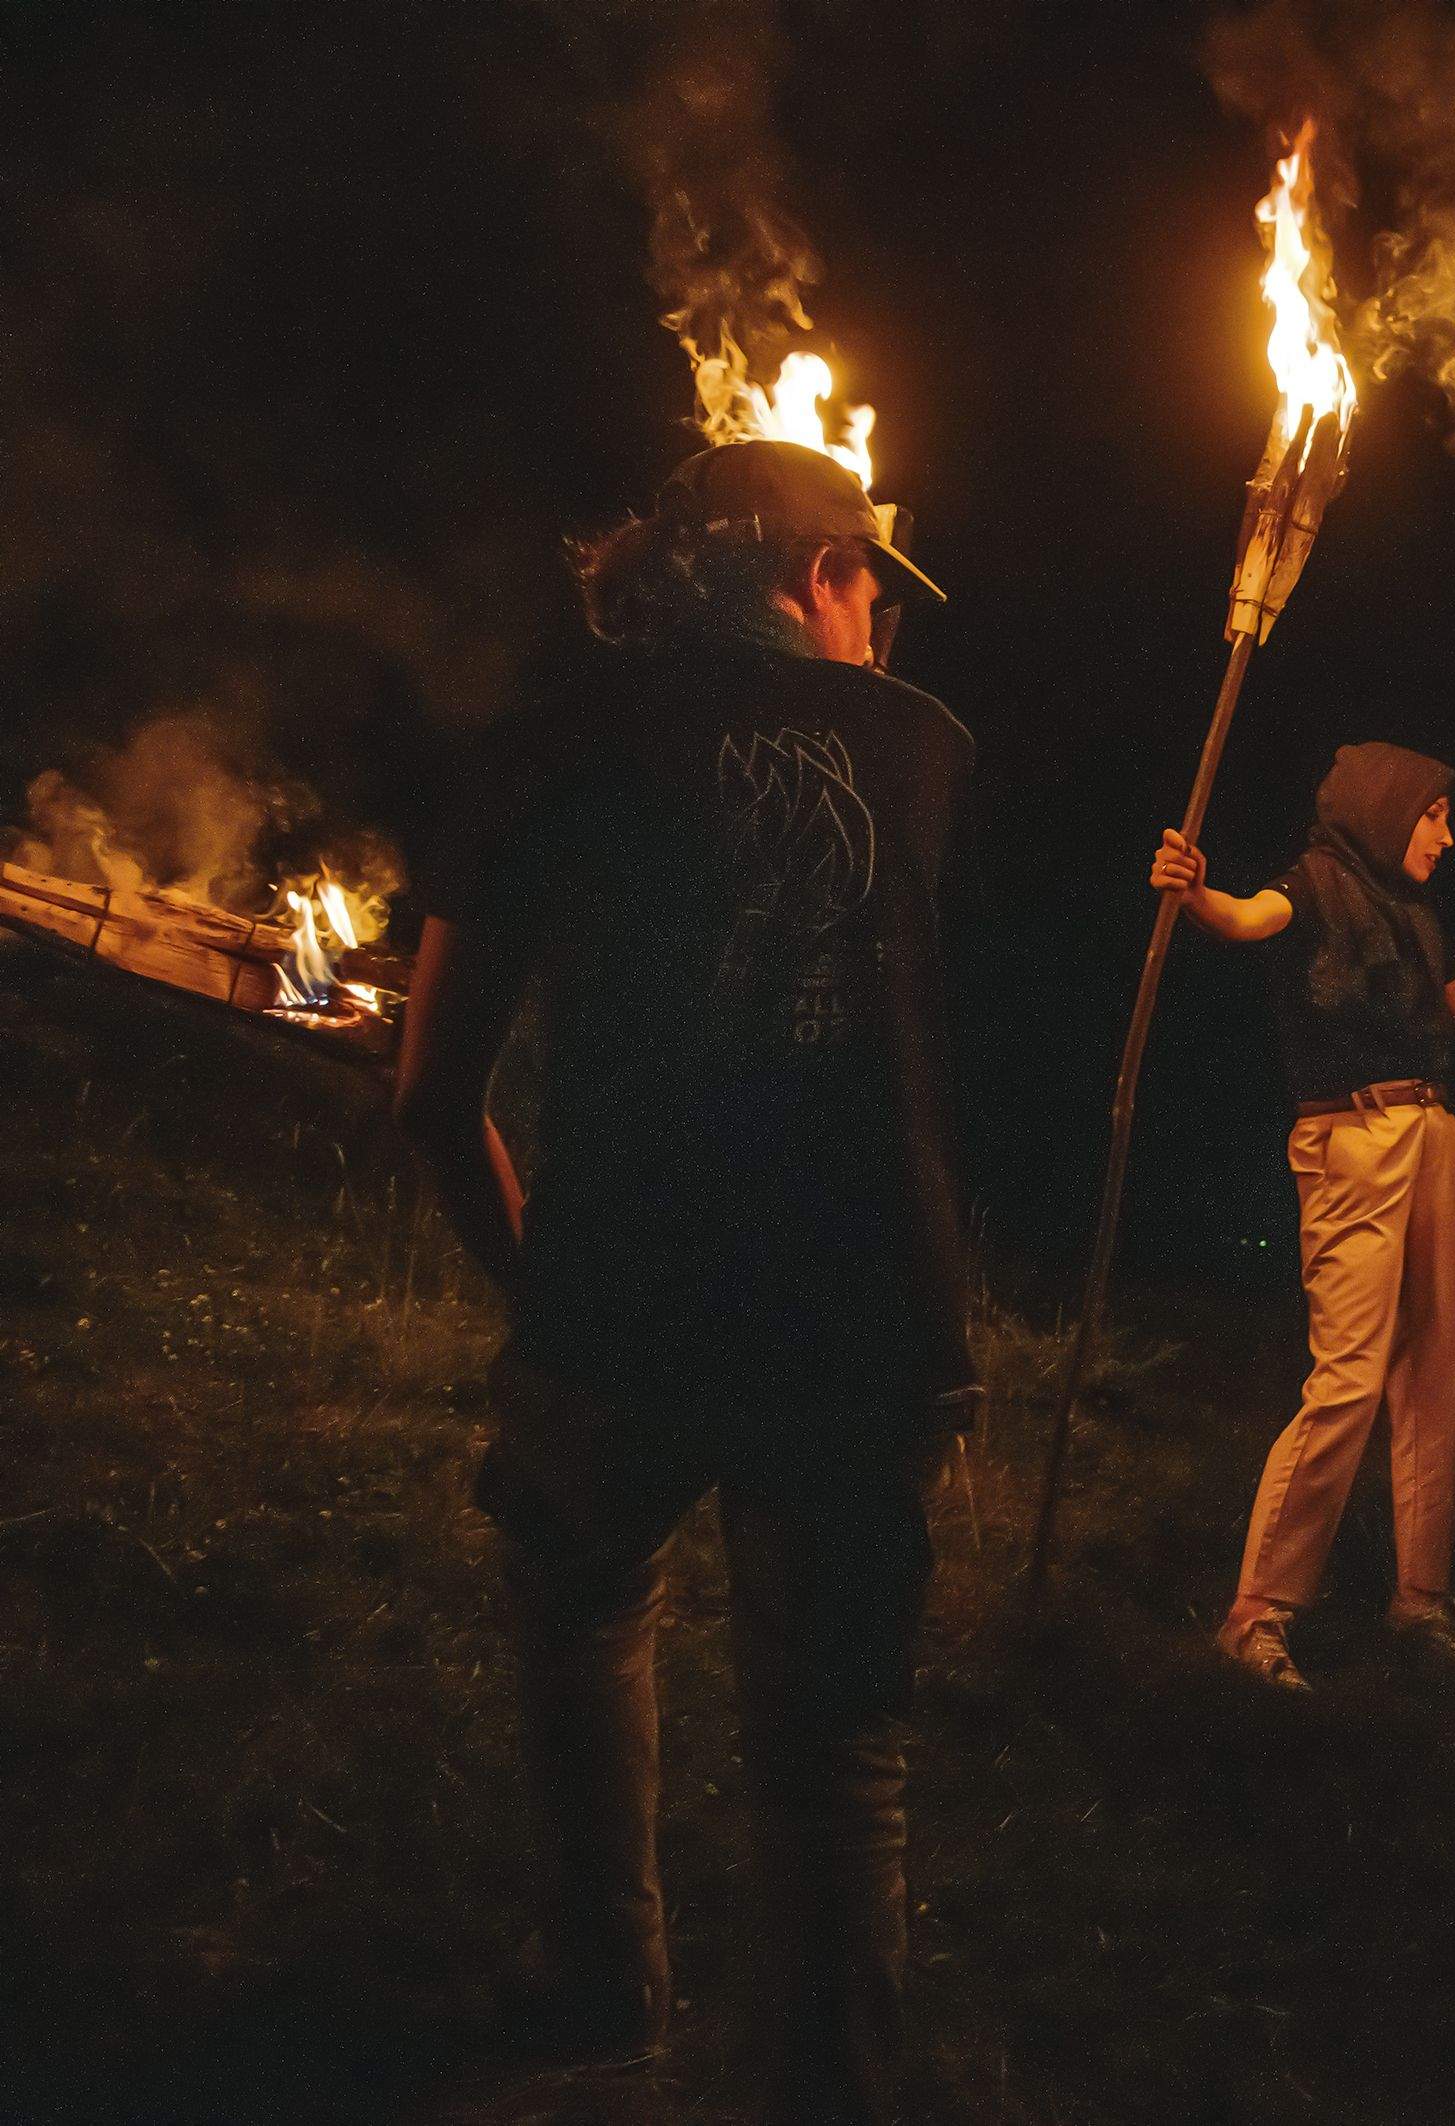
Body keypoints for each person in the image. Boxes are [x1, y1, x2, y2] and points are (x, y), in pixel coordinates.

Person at [397, 438, 972, 2125]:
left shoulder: (548, 743)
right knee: (832, 1754)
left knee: (582, 1603)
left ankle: (597, 1978)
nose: (882, 618)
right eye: (870, 577)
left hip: (619, 1301)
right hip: (858, 1323)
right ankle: (825, 2087)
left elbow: (434, 1097)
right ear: (812, 580)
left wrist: (542, 1284)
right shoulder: (929, 752)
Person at [1149, 743, 1455, 1691]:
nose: (1447, 837)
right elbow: (1248, 919)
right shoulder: (1312, 886)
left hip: (1434, 1134)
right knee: (1350, 1378)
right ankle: (1256, 1614)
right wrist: (1195, 893)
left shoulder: (1416, 913)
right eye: (1434, 816)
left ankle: (1419, 1599)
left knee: (1435, 1370)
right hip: (1350, 1137)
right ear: (1384, 808)